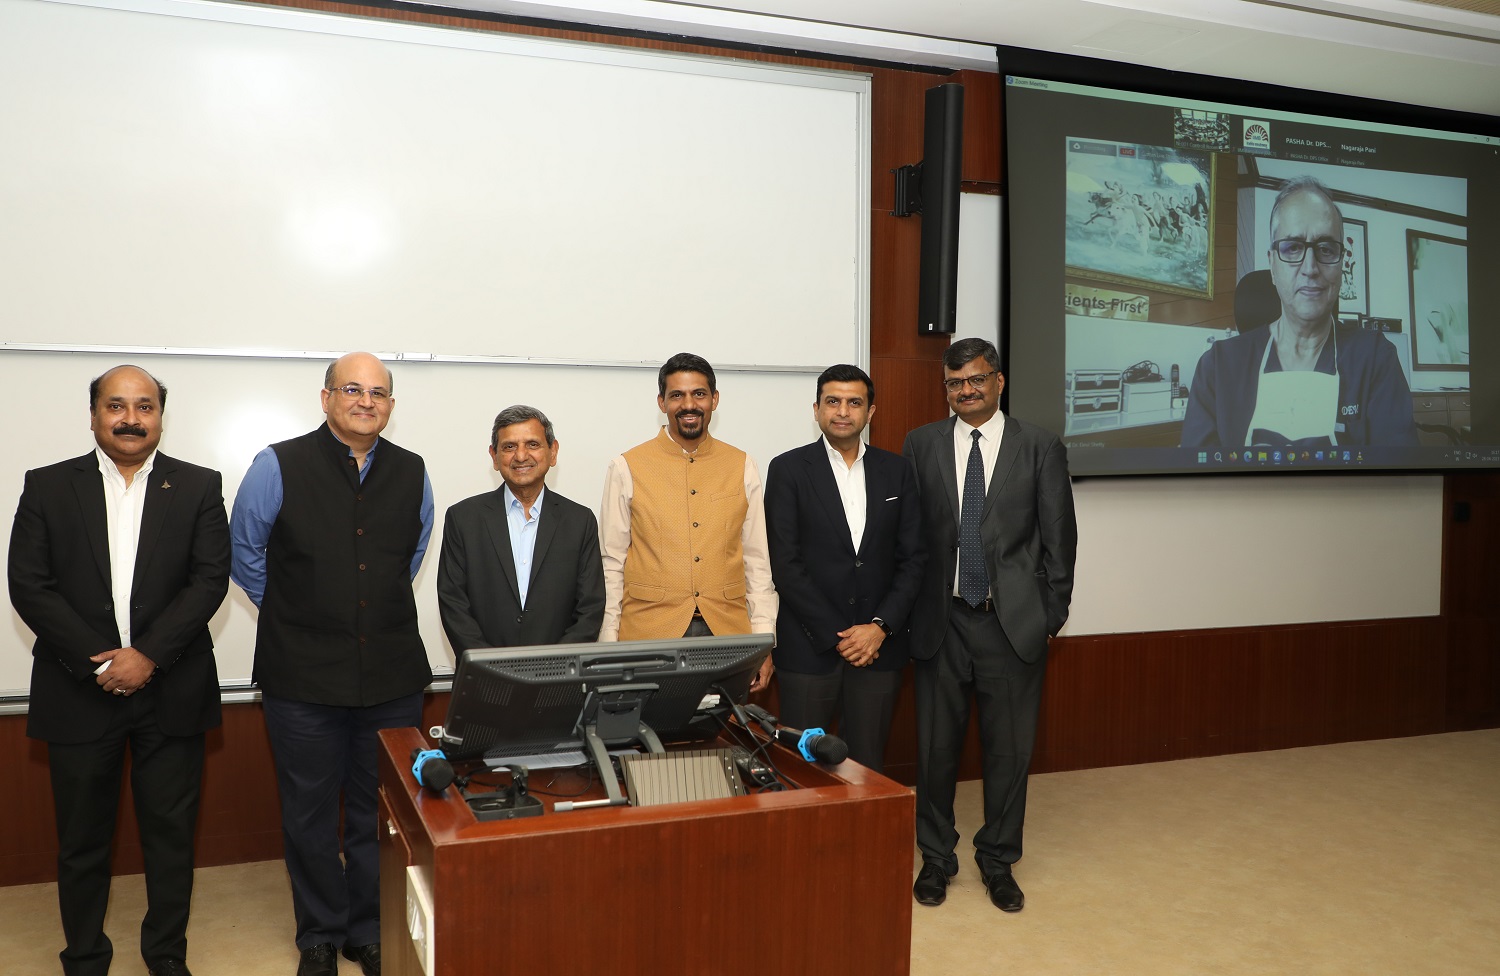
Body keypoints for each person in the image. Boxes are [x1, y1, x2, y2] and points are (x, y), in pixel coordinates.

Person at [8, 365, 230, 976]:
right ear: (93, 414)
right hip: (79, 690)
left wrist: (148, 655)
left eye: (145, 406)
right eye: (116, 406)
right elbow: (30, 585)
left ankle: (165, 955)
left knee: (170, 841)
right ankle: (83, 957)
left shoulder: (197, 486)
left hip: (172, 688)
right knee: (81, 845)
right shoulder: (48, 486)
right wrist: (103, 660)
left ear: (161, 414)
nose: (131, 419)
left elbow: (209, 581)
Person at [229, 352, 434, 976]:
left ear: (391, 407)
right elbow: (245, 553)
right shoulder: (276, 464)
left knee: (379, 814)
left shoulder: (413, 471)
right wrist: (303, 613)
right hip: (302, 678)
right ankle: (317, 933)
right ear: (326, 398)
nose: (365, 401)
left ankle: (367, 930)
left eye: (378, 392)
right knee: (310, 812)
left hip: (392, 678)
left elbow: (411, 550)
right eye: (352, 389)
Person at [902, 337, 1077, 913]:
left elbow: (1059, 538)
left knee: (1008, 753)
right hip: (941, 621)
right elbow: (912, 539)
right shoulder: (921, 444)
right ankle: (936, 858)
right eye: (955, 383)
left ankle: (998, 860)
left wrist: (1049, 616)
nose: (966, 391)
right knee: (935, 751)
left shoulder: (1040, 446)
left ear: (999, 381)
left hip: (1010, 624)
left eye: (976, 379)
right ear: (946, 388)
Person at [764, 364, 924, 773]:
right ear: (816, 409)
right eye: (832, 401)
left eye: (855, 402)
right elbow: (785, 563)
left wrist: (879, 627)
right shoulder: (788, 469)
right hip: (809, 648)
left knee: (866, 766)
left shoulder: (898, 471)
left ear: (871, 412)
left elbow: (913, 559)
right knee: (803, 766)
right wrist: (838, 635)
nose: (842, 411)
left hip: (878, 649)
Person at [1181, 177, 1418, 448]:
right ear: (1272, 265)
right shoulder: (1218, 367)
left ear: (1341, 265)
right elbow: (1200, 486)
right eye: (1292, 247)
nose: (1310, 268)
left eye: (1326, 249)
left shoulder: (1375, 359)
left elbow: (1397, 480)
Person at [598, 352, 776, 691]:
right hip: (649, 634)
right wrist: (609, 644)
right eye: (677, 395)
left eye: (699, 394)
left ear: (714, 400)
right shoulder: (626, 466)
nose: (688, 404)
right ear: (662, 402)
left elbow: (757, 562)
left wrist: (764, 640)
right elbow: (612, 563)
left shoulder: (742, 464)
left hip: (728, 635)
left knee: (722, 738)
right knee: (650, 739)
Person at [437, 405, 604, 650]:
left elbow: (590, 609)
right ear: (494, 456)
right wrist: (490, 668)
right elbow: (453, 604)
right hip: (485, 679)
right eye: (509, 447)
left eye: (533, 444)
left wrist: (554, 667)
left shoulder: (580, 521)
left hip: (558, 679)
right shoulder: (462, 519)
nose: (521, 456)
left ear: (553, 452)